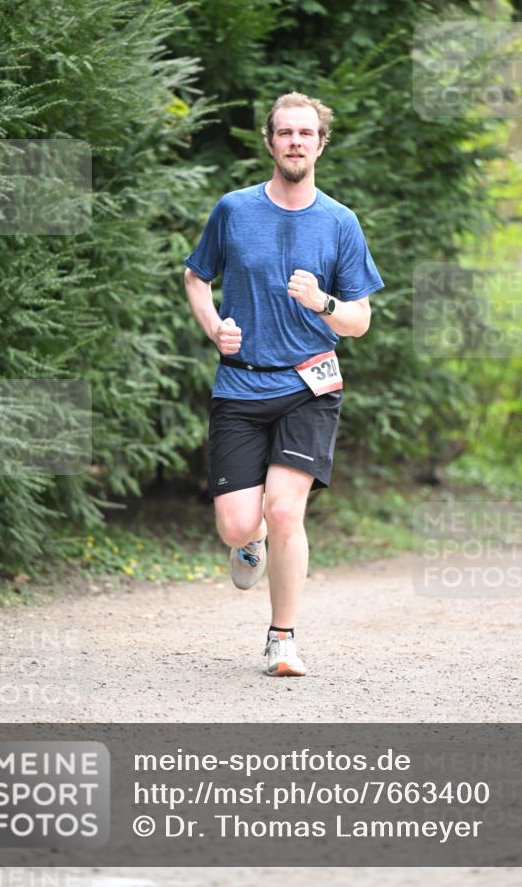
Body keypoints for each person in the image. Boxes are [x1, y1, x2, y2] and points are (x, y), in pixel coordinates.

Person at [183, 92, 385, 677]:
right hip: (240, 387)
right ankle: (249, 543)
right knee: (239, 523)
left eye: (306, 133)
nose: (295, 142)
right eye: (285, 133)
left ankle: (283, 638)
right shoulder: (234, 210)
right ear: (270, 142)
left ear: (321, 144)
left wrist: (321, 301)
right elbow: (196, 278)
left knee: (285, 510)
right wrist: (214, 326)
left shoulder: (340, 223)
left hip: (310, 386)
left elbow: (360, 321)